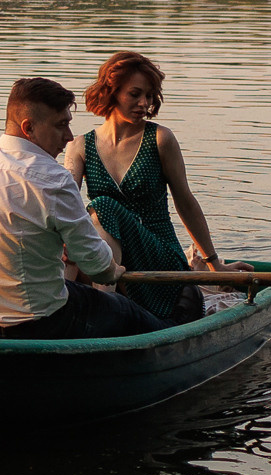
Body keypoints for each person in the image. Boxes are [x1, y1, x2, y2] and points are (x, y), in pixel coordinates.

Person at [0, 76, 166, 340]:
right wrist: (115, 269)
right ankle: (176, 335)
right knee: (126, 311)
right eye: (61, 126)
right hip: (42, 324)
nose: (68, 138)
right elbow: (96, 266)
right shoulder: (54, 180)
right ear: (28, 127)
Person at [64, 50, 248, 320]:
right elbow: (64, 204)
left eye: (149, 96)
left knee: (101, 206)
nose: (144, 104)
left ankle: (105, 312)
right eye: (135, 94)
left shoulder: (160, 139)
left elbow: (185, 202)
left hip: (159, 256)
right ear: (111, 92)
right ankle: (59, 310)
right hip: (109, 256)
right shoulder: (80, 146)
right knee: (74, 233)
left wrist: (214, 263)